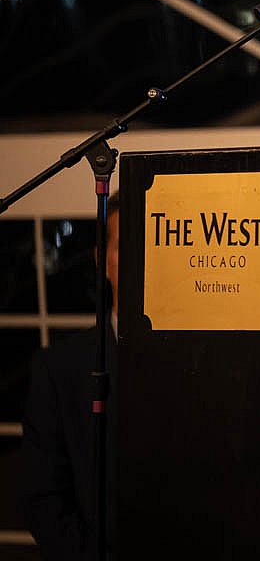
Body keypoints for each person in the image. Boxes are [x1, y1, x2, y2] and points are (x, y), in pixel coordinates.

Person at [22, 193, 120, 560]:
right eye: (126, 246)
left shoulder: (202, 361)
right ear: (102, 259)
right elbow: (44, 498)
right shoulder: (59, 370)